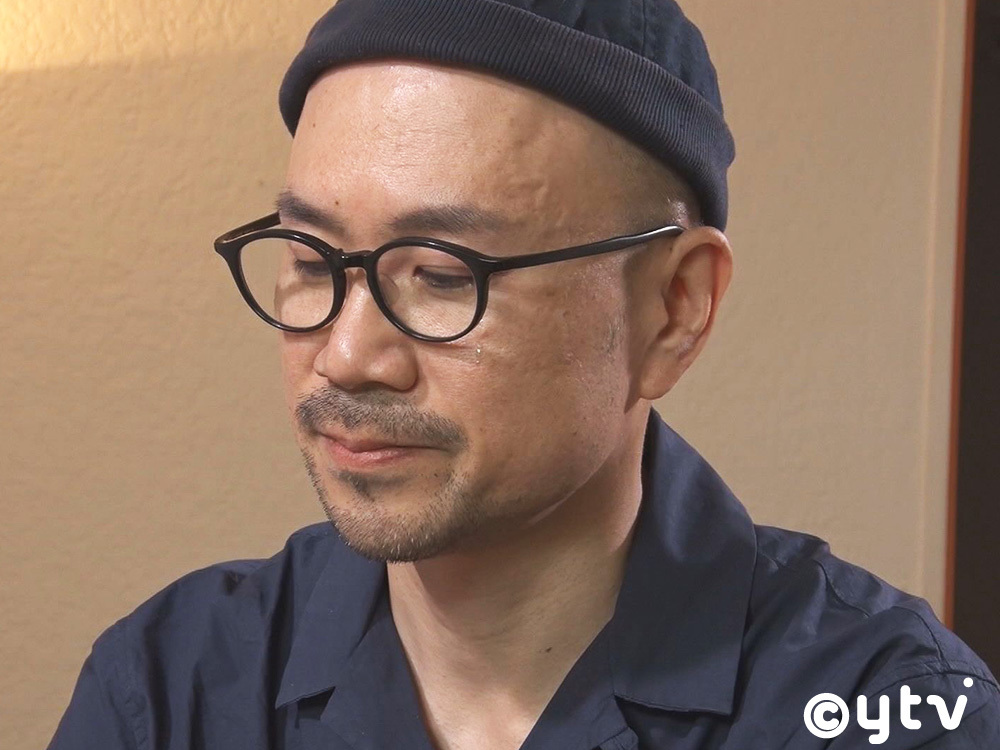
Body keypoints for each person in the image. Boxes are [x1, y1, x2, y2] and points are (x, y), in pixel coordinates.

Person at [48, 1, 999, 748]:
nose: (346, 356)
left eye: (442, 275)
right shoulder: (171, 690)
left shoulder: (882, 709)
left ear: (675, 309)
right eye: (309, 258)